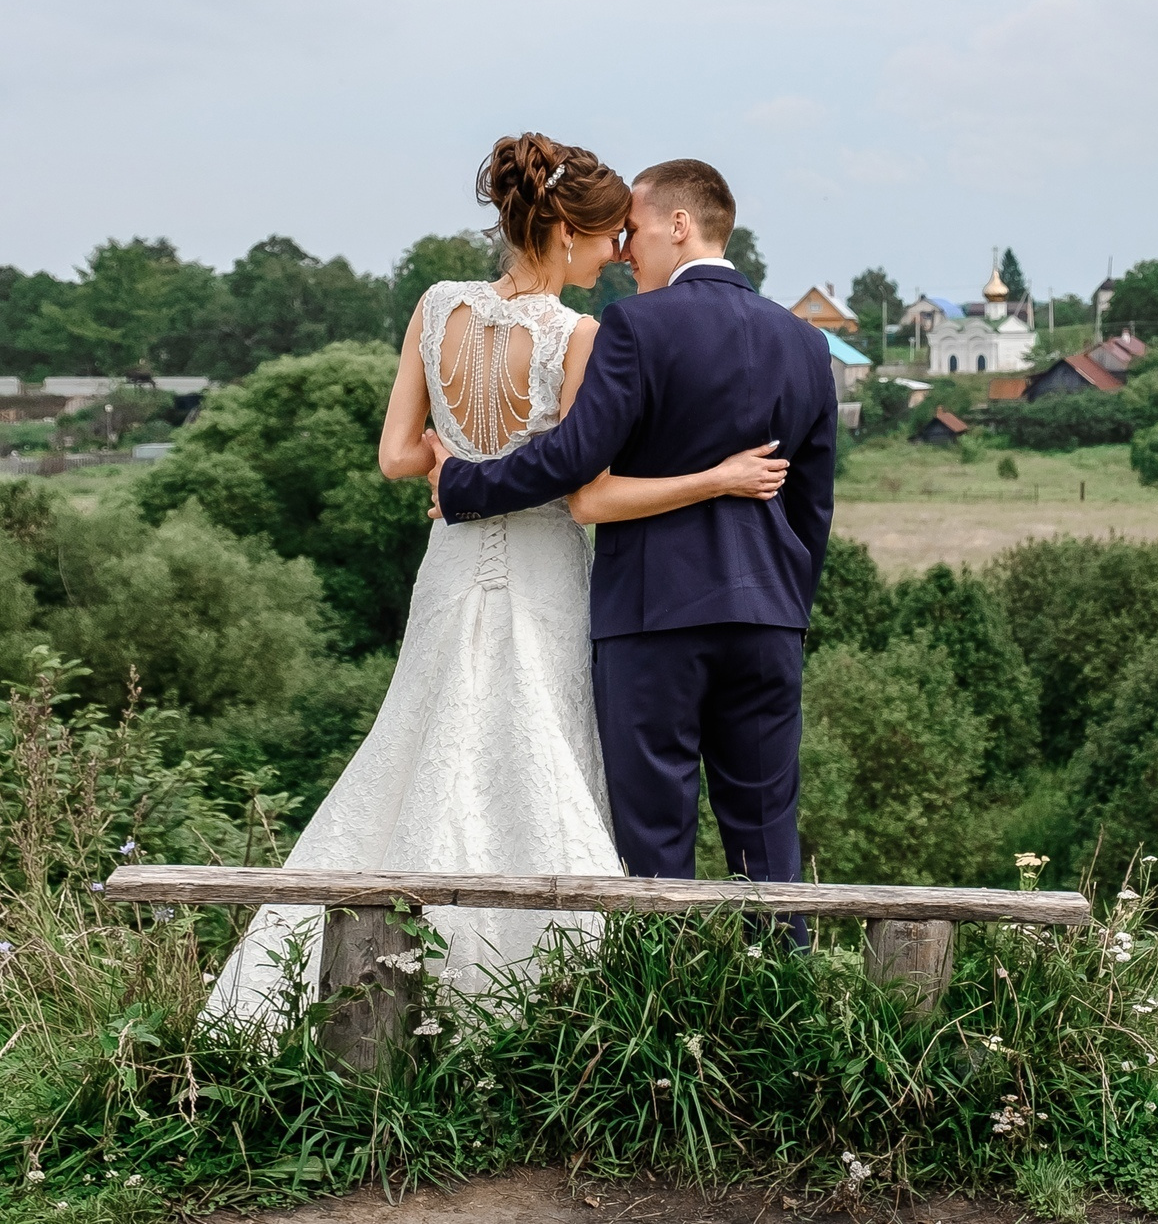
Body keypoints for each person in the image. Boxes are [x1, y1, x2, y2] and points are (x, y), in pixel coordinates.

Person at [207, 135, 789, 1022]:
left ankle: (348, 983)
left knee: (420, 740)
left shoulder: (437, 306)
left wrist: (451, 461)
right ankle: (544, 1002)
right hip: (547, 568)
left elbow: (396, 454)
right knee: (539, 746)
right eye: (607, 237)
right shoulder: (579, 333)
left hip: (448, 568)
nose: (617, 253)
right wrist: (715, 477)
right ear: (565, 231)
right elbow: (586, 486)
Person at [428, 156, 837, 917]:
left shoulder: (637, 326)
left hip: (653, 620)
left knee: (653, 844)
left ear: (679, 226)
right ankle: (790, 1016)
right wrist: (786, 600)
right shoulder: (805, 344)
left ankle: (665, 1008)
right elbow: (812, 506)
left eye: (636, 231)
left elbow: (573, 458)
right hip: (771, 622)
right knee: (769, 841)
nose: (625, 251)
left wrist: (462, 485)